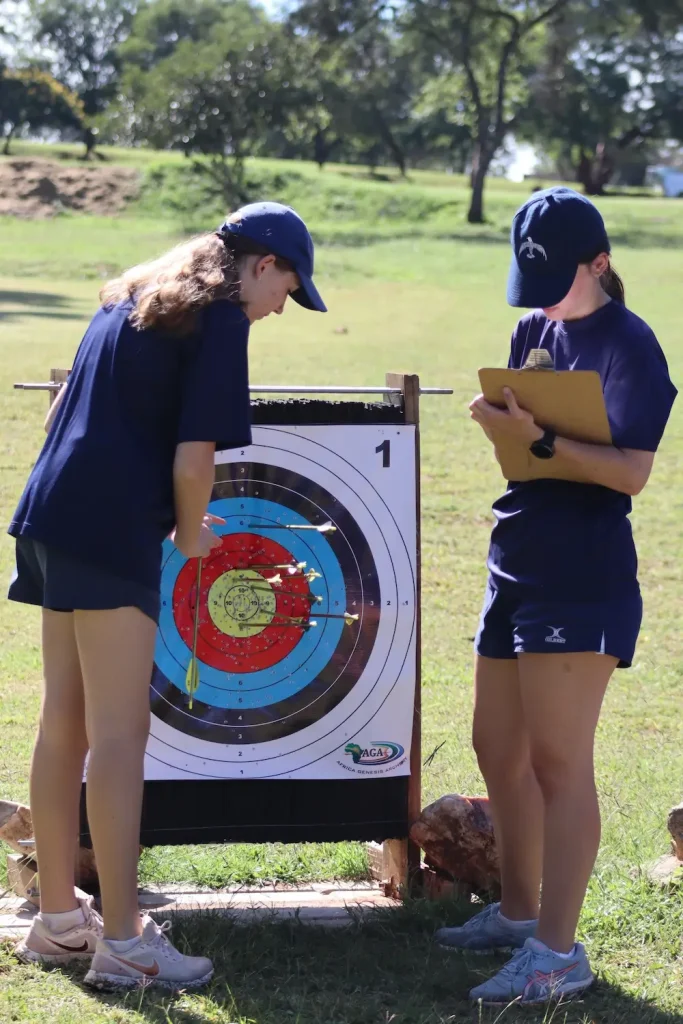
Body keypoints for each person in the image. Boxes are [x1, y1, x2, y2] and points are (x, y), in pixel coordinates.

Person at [8, 201, 326, 990]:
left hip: (50, 513)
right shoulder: (220, 318)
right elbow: (193, 462)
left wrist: (168, 514)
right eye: (287, 288)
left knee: (64, 722)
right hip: (109, 529)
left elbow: (67, 414)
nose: (280, 306)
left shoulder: (134, 294)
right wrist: (187, 533)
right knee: (119, 734)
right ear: (261, 266)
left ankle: (58, 922)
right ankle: (124, 941)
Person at [435, 187, 677, 1005]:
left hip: (581, 571)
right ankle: (517, 913)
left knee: (558, 763)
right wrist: (507, 433)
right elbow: (524, 457)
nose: (538, 302)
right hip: (517, 554)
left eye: (553, 282)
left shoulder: (631, 345)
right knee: (494, 746)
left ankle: (557, 953)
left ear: (599, 263)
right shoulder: (533, 329)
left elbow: (630, 473)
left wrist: (537, 437)